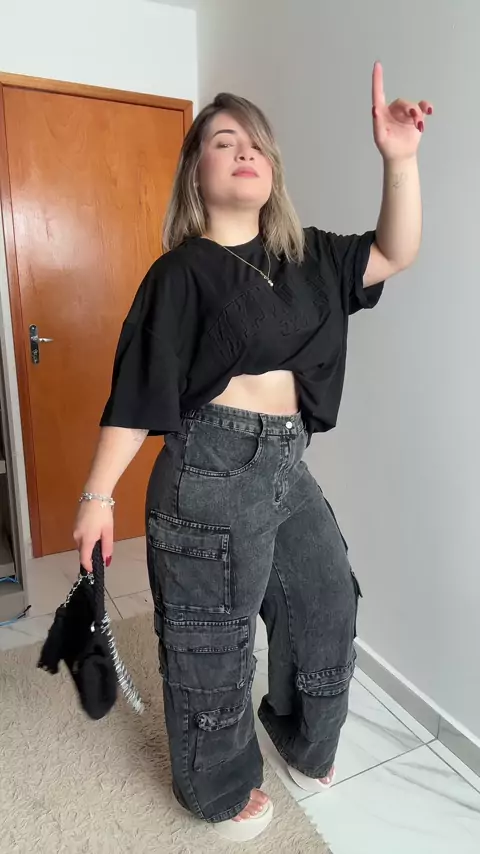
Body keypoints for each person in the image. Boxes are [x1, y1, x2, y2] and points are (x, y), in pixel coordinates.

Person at [74, 62, 431, 843]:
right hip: (208, 468)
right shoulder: (180, 274)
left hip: (284, 464)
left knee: (326, 602)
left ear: (272, 169)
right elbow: (136, 394)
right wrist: (97, 497)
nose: (244, 152)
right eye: (222, 141)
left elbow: (395, 251)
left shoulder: (311, 257)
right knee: (212, 640)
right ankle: (217, 788)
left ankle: (299, 735)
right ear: (195, 173)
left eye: (256, 143)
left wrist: (399, 158)